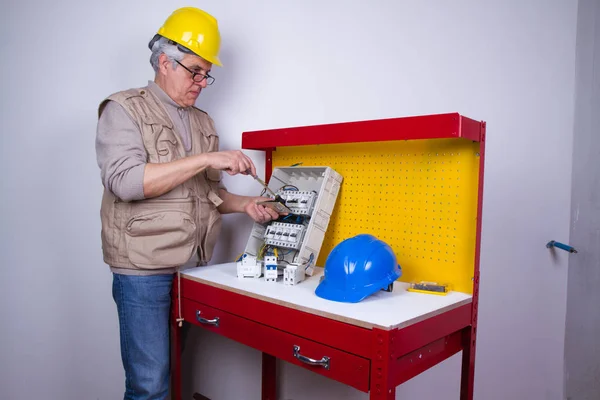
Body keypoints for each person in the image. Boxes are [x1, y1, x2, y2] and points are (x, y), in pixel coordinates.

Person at [95, 7, 280, 399]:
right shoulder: (123, 108)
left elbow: (207, 195)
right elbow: (126, 182)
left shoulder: (202, 121)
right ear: (165, 61)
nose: (202, 81)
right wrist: (207, 158)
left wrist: (246, 204)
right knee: (149, 385)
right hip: (143, 271)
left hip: (190, 269)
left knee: (173, 372)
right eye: (195, 70)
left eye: (206, 73)